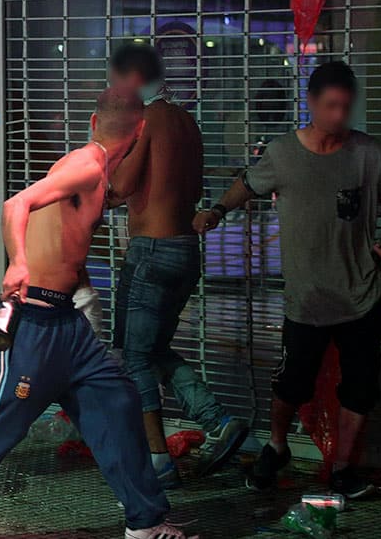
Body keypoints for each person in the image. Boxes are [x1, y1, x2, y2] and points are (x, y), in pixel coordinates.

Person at [0, 88, 196, 539]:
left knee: (119, 402)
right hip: (33, 323)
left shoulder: (98, 174)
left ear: (94, 121)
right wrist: (19, 261)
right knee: (3, 424)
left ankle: (145, 522)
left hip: (69, 324)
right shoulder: (85, 164)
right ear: (139, 133)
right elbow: (14, 205)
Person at [194, 61, 381, 498]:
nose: (339, 115)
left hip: (362, 295)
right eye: (331, 105)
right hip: (306, 300)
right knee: (290, 384)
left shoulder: (366, 153)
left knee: (359, 389)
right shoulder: (284, 153)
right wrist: (218, 211)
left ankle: (342, 469)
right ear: (312, 103)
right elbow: (247, 183)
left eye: (346, 106)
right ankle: (277, 446)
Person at [107, 44, 248, 488]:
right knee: (154, 349)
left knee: (134, 357)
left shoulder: (151, 119)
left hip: (152, 249)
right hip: (185, 249)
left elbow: (125, 185)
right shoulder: (190, 122)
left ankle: (157, 462)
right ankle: (218, 420)